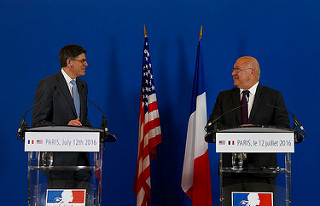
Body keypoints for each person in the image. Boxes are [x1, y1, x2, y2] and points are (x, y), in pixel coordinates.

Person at [207, 56, 290, 205]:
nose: (233, 73)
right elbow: (212, 126)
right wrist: (237, 131)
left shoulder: (273, 97)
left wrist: (257, 131)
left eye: (237, 69)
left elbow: (283, 127)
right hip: (230, 171)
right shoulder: (224, 97)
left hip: (263, 171)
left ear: (251, 72)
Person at [32, 45, 91, 198]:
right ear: (70, 62)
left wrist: (98, 134)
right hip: (59, 164)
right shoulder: (49, 85)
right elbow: (38, 123)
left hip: (82, 163)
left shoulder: (82, 86)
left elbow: (81, 120)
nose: (86, 64)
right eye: (82, 61)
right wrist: (65, 127)